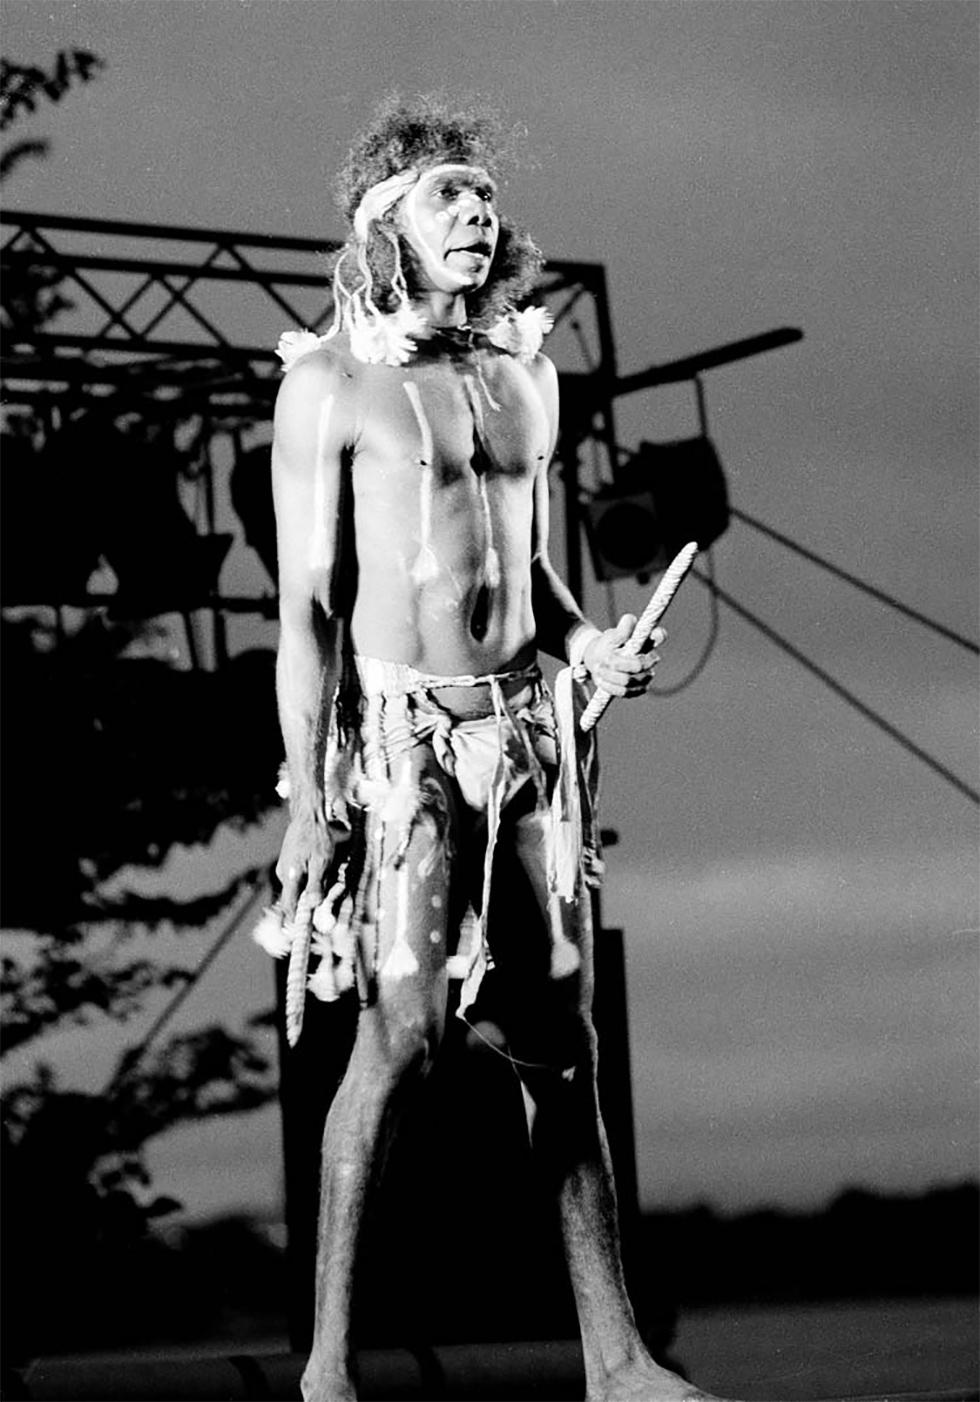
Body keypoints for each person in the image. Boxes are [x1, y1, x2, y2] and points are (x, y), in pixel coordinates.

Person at [260, 96, 721, 1402]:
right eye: (448, 191)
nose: (478, 210)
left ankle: (617, 1358)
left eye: (485, 194)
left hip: (529, 745)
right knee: (399, 1042)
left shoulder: (523, 373)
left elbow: (536, 579)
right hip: (406, 742)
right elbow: (305, 613)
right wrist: (309, 793)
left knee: (560, 1048)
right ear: (384, 218)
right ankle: (329, 1367)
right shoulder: (328, 389)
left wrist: (587, 649)